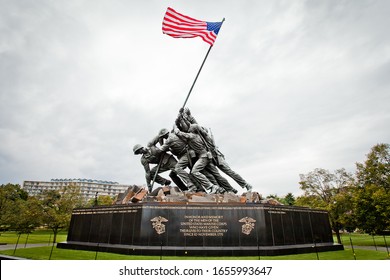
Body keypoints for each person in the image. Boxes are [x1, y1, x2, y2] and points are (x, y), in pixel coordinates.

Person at [177, 107, 253, 192]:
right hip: (209, 158)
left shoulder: (206, 137)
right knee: (218, 176)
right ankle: (229, 190)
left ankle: (246, 184)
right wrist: (185, 116)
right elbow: (193, 125)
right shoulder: (199, 136)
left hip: (216, 157)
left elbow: (196, 126)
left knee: (229, 172)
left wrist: (189, 117)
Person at [174, 124, 237, 194]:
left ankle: (215, 187)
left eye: (191, 127)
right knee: (214, 175)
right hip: (206, 157)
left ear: (193, 129)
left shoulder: (193, 136)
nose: (189, 127)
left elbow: (178, 133)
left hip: (204, 157)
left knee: (199, 172)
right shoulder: (200, 136)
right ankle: (222, 188)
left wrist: (175, 126)